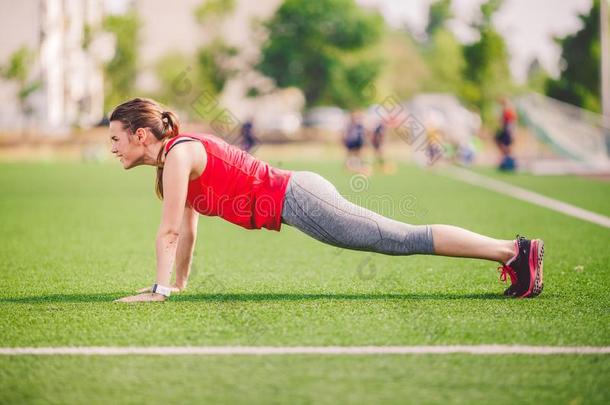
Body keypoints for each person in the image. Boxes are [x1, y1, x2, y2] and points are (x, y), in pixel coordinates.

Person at [109, 98, 544, 303]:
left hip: (300, 198)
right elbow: (186, 228)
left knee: (399, 238)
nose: (112, 148)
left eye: (116, 138)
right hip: (299, 202)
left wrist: (159, 292)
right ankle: (513, 253)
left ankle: (512, 250)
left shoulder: (180, 154)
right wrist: (178, 284)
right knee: (397, 238)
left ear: (141, 135)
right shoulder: (173, 163)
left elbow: (167, 230)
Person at [495, 98, 517, 171]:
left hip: (508, 130)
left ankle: (510, 162)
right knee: (499, 142)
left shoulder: (510, 111)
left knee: (507, 146)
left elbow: (512, 122)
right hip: (505, 129)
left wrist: (512, 132)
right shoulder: (504, 111)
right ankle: (506, 159)